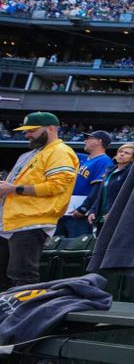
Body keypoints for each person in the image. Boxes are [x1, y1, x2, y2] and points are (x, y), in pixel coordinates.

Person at [0, 112, 78, 290]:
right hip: (9, 221)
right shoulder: (29, 154)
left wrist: (12, 189)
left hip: (32, 221)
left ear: (51, 129)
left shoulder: (60, 152)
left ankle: (27, 316)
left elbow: (57, 186)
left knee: (22, 276)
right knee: (4, 277)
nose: (27, 135)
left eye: (32, 130)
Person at [57, 130, 113, 237]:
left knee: (75, 246)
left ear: (99, 141)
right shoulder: (84, 159)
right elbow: (66, 152)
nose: (84, 141)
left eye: (88, 138)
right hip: (66, 210)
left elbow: (98, 188)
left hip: (80, 213)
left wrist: (84, 208)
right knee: (56, 245)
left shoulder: (104, 161)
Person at [76, 143, 134, 234]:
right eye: (120, 151)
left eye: (127, 153)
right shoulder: (110, 171)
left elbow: (127, 196)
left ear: (132, 158)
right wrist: (93, 211)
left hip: (117, 219)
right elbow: (101, 195)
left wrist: (114, 212)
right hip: (102, 217)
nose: (122, 154)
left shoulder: (131, 173)